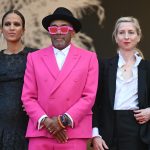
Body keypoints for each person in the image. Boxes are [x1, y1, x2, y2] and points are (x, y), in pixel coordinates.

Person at [21, 7, 98, 150]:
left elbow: (89, 96)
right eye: (53, 29)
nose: (58, 33)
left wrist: (62, 121)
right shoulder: (34, 58)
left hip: (73, 133)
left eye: (63, 29)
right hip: (41, 132)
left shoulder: (89, 58)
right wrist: (48, 123)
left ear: (72, 32)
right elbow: (28, 97)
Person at [92, 16, 150, 150]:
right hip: (108, 132)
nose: (126, 36)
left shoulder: (147, 68)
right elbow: (94, 102)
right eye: (121, 32)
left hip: (139, 132)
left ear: (138, 37)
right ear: (116, 37)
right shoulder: (104, 66)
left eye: (131, 32)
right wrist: (95, 135)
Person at [0, 10, 36, 149]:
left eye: (17, 24)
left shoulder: (35, 56)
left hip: (29, 123)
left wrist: (37, 103)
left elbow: (46, 85)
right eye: (7, 24)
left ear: (23, 30)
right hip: (2, 123)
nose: (12, 27)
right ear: (1, 30)